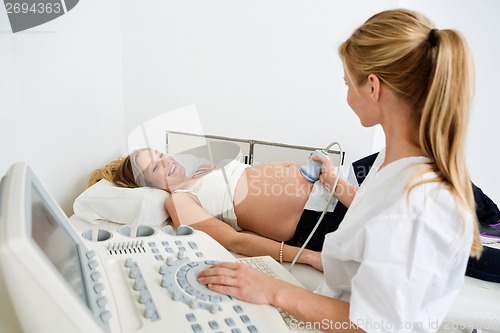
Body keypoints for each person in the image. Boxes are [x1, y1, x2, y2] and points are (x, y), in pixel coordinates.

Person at [197, 8, 484, 332]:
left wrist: (273, 289)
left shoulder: (418, 204)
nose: (346, 93)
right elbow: (375, 211)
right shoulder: (393, 164)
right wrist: (333, 181)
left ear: (373, 87)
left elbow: (371, 326)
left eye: (347, 83)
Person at [89, 148, 351, 271]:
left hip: (334, 185)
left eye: (160, 154)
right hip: (319, 217)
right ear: (148, 185)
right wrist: (307, 257)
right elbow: (233, 240)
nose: (166, 161)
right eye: (155, 167)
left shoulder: (202, 173)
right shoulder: (179, 200)